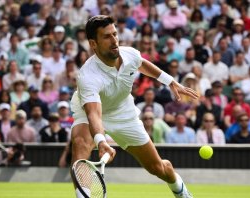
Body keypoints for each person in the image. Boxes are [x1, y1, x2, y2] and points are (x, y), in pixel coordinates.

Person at [69, 16, 198, 198]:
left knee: (158, 167)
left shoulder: (129, 54)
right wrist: (101, 141)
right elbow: (94, 114)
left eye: (115, 34)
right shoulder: (87, 76)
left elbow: (142, 64)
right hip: (90, 112)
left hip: (124, 112)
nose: (114, 41)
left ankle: (181, 191)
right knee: (80, 143)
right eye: (107, 37)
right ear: (93, 44)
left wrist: (169, 81)